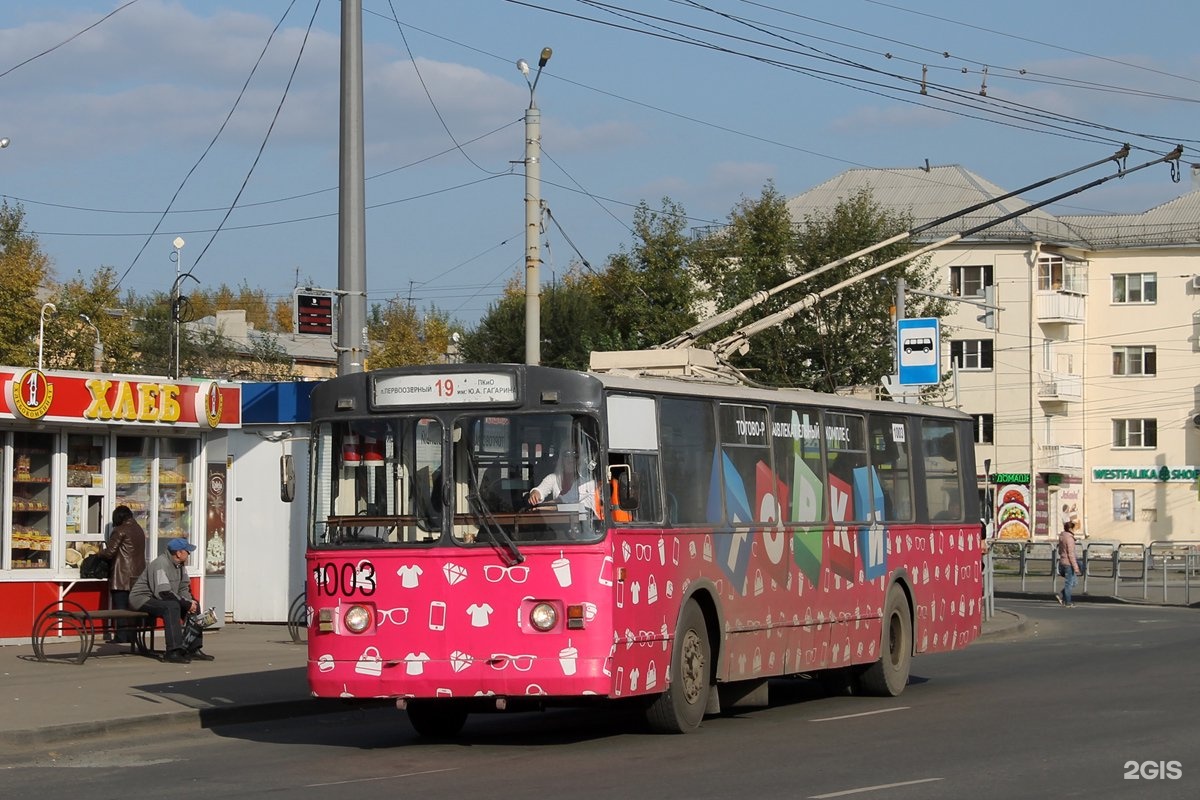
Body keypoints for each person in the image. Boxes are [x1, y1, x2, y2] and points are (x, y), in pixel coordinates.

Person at [130, 538, 214, 663]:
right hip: (142, 599)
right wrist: (185, 603)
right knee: (171, 607)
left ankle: (193, 648)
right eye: (187, 551)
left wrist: (190, 602)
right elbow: (163, 593)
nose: (189, 554)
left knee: (195, 605)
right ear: (178, 553)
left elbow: (184, 587)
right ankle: (173, 651)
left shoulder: (180, 565)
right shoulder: (160, 564)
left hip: (159, 597)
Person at [95, 505, 147, 644]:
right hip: (137, 576)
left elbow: (110, 552)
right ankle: (132, 635)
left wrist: (98, 552)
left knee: (120, 608)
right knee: (132, 608)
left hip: (122, 575)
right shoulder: (139, 530)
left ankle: (121, 636)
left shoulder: (119, 530)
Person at [527, 447, 597, 516]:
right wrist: (535, 494)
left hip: (584, 525)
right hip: (559, 524)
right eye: (567, 455)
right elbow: (540, 490)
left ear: (580, 460)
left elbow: (562, 502)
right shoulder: (553, 477)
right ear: (561, 458)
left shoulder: (588, 482)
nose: (571, 459)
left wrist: (540, 508)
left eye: (575, 455)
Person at [1056, 519, 1082, 607]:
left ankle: (1062, 595)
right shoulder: (1069, 539)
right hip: (1068, 563)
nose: (1075, 530)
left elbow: (1060, 551)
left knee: (1074, 582)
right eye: (1074, 528)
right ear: (1071, 529)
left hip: (1062, 562)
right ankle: (1068, 602)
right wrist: (1076, 567)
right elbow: (1071, 554)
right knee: (1069, 584)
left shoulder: (1062, 536)